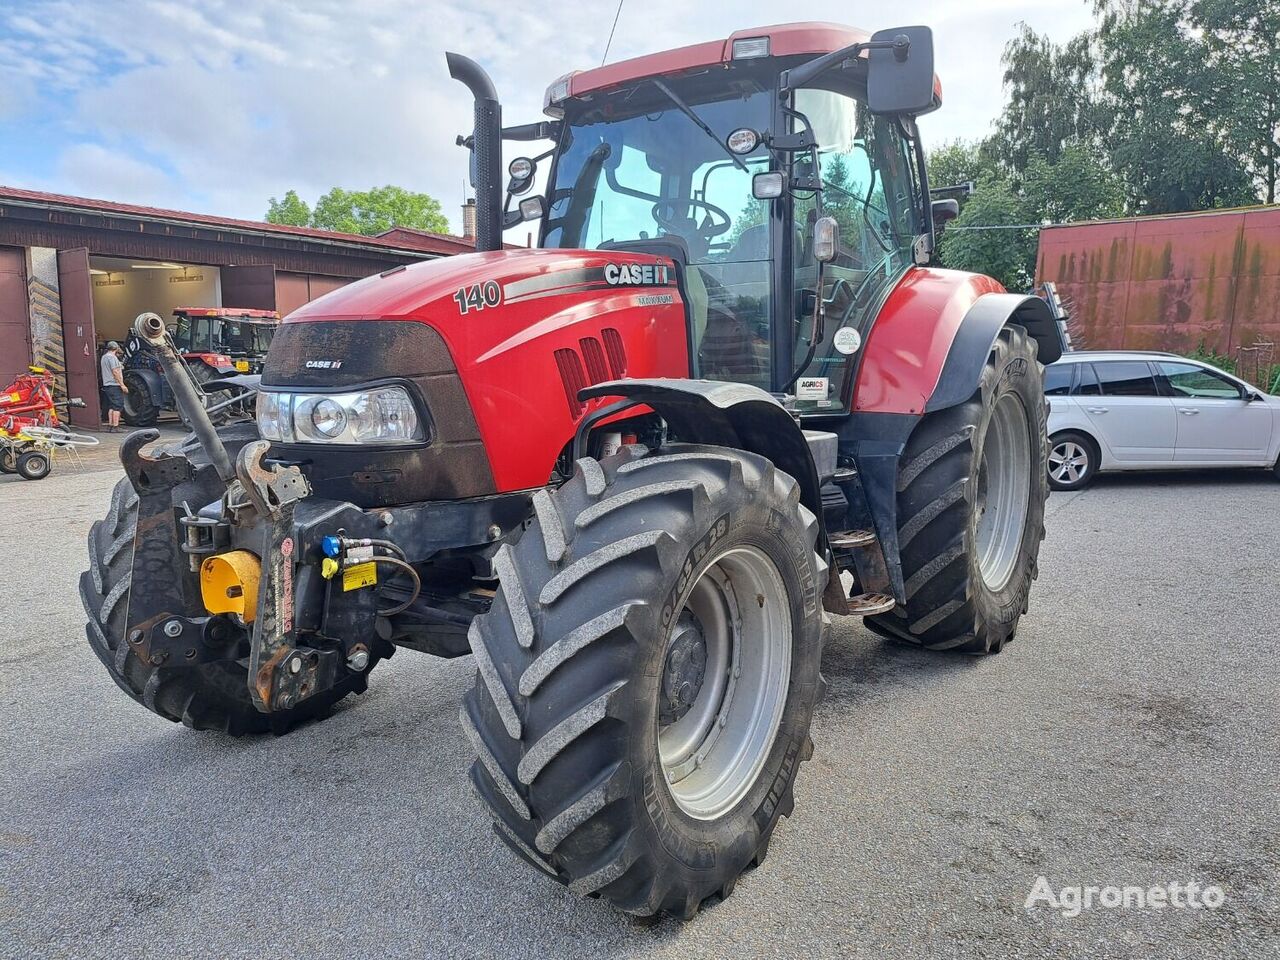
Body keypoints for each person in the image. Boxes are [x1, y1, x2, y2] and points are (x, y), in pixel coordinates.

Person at [99, 341, 128, 432]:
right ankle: (116, 427)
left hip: (107, 385)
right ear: (116, 348)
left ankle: (110, 426)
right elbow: (115, 372)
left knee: (112, 406)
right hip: (114, 385)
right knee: (118, 406)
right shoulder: (112, 358)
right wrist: (122, 385)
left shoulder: (104, 357)